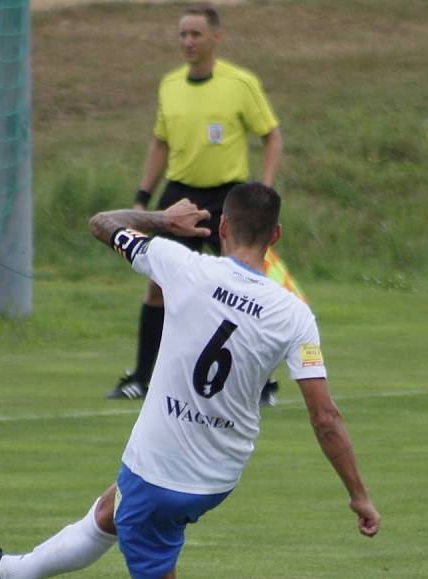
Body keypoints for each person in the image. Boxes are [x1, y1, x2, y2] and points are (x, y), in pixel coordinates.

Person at [0, 183, 381, 579]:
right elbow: (325, 418)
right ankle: (2, 574)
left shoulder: (182, 265)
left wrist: (160, 218)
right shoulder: (295, 315)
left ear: (221, 227)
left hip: (162, 463)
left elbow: (102, 222)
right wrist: (358, 493)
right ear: (275, 237)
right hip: (218, 472)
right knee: (109, 513)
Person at [107, 2, 284, 404]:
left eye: (196, 34)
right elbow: (161, 142)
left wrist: (264, 193)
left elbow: (271, 136)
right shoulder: (170, 84)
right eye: (183, 34)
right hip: (181, 196)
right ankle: (141, 378)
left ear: (216, 38)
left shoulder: (240, 83)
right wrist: (143, 195)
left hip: (230, 198)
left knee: (250, 289)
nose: (188, 41)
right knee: (156, 288)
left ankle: (264, 383)